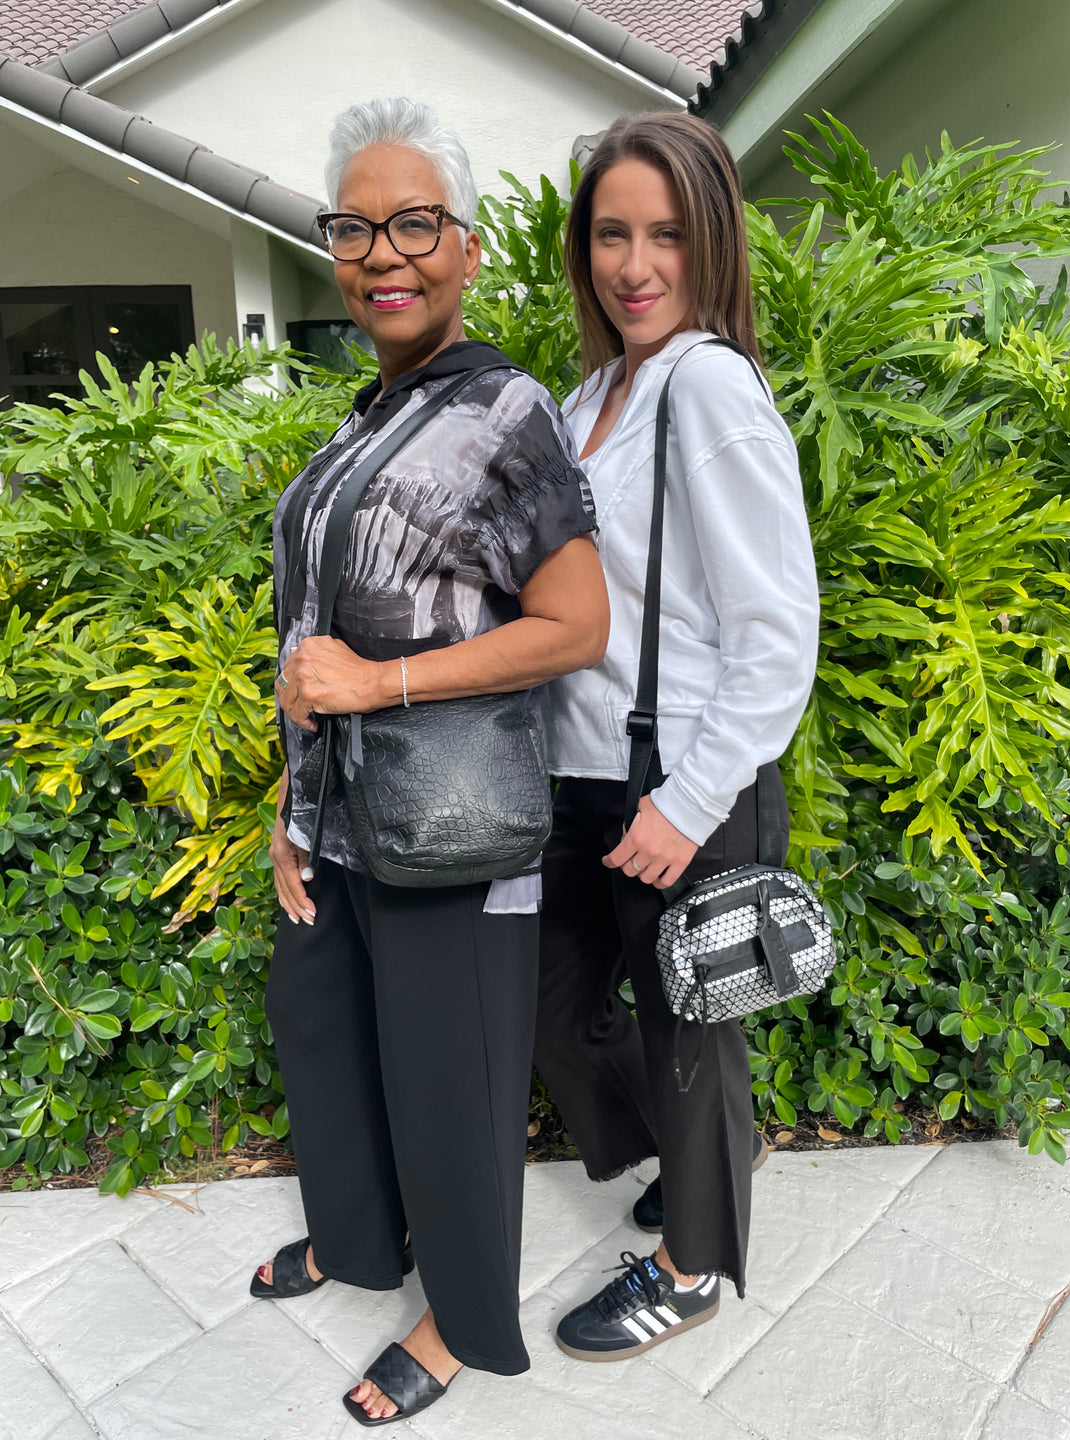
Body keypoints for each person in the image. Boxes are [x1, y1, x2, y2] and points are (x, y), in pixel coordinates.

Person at [253, 97, 608, 1425]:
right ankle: (357, 1244)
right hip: (341, 813)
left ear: (462, 249)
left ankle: (462, 1321)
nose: (381, 251)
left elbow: (576, 625)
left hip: (452, 816)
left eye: (414, 223)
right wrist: (293, 797)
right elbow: (309, 630)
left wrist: (380, 682)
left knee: (449, 1075)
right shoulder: (366, 415)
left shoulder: (505, 410)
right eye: (355, 226)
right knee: (329, 1035)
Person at [534, 111, 819, 1361]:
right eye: (611, 233)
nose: (635, 263)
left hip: (681, 781)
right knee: (559, 1011)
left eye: (665, 234)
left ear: (710, 244)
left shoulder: (706, 384)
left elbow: (778, 633)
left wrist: (691, 802)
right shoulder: (590, 392)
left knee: (693, 1033)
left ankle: (694, 1265)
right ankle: (700, 1161)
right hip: (578, 769)